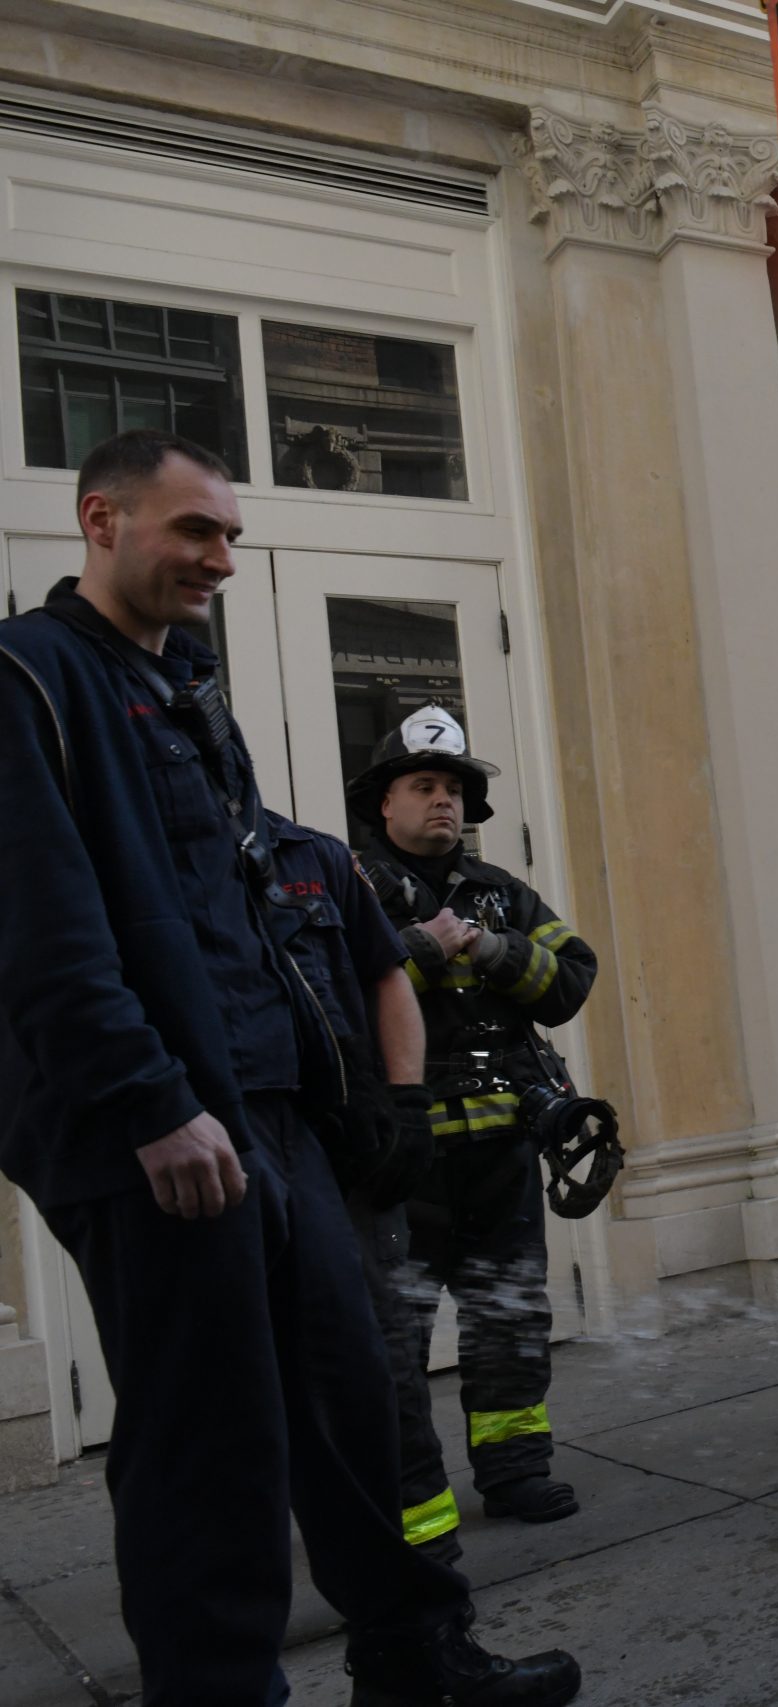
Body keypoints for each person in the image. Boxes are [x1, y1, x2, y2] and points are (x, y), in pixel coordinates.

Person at [0, 429, 577, 1704]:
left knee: (351, 1402)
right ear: (100, 520)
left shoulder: (187, 693)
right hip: (154, 1130)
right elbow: (38, 925)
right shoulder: (31, 677)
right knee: (208, 1452)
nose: (218, 557)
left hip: (272, 1115)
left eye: (229, 537)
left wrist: (361, 1102)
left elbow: (247, 903)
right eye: (192, 529)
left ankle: (420, 1664)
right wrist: (153, 1104)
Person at [350, 705, 599, 1526]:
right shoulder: (346, 889)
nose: (443, 801)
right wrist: (421, 946)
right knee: (395, 1341)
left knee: (509, 1316)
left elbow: (570, 982)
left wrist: (493, 949)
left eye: (454, 787)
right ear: (385, 800)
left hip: (498, 1155)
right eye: (423, 785)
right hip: (397, 1160)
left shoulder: (503, 895)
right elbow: (332, 998)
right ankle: (409, 1502)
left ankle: (516, 1469)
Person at [268, 809, 464, 1566]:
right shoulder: (150, 861)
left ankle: (419, 1551)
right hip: (245, 1147)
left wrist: (406, 1108)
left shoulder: (313, 860)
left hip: (347, 1152)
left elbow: (382, 976)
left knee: (381, 1347)